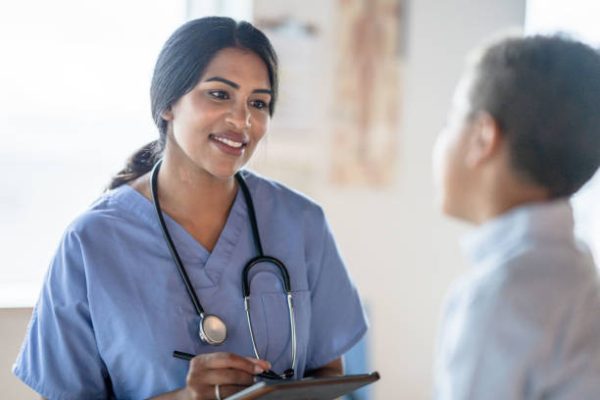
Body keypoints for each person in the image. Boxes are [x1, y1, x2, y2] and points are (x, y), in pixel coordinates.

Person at [13, 16, 367, 399]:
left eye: (258, 103)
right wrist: (186, 397)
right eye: (219, 94)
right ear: (168, 103)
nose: (241, 120)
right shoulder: (92, 243)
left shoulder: (300, 222)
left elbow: (328, 373)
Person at [432, 34, 600, 399]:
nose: (441, 138)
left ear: (482, 138)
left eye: (450, 119)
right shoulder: (577, 267)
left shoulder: (498, 296)